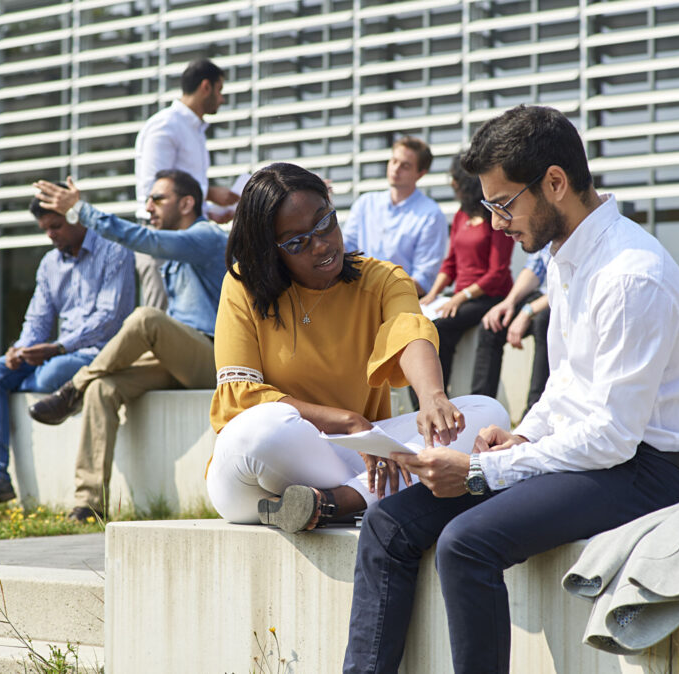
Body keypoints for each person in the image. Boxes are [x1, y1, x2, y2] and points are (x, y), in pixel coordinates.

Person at [343, 105, 679, 673]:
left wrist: (477, 470)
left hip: (646, 470)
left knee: (464, 545)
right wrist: (523, 436)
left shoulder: (631, 275)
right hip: (595, 455)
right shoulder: (568, 256)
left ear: (556, 183)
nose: (494, 223)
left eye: (503, 204)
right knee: (388, 523)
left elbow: (615, 436)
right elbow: (568, 383)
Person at [205, 162, 510, 534]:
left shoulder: (382, 279)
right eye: (298, 241)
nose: (322, 244)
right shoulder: (243, 286)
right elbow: (240, 397)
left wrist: (432, 397)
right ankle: (373, 493)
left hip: (359, 457)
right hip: (255, 474)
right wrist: (350, 423)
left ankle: (336, 502)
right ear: (271, 250)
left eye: (325, 223)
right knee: (264, 428)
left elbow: (409, 330)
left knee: (486, 412)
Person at [26, 169, 227, 522]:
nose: (148, 206)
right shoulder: (174, 252)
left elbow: (146, 240)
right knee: (102, 388)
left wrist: (82, 210)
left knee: (145, 318)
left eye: (157, 199)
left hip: (214, 359)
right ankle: (88, 504)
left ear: (187, 203)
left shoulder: (206, 236)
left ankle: (73, 385)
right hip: (179, 357)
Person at [0, 190, 135, 509]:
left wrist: (56, 347)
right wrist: (21, 350)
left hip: (98, 355)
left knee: (46, 374)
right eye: (45, 229)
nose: (50, 235)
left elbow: (109, 320)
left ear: (75, 216)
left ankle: (4, 377)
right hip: (58, 351)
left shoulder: (115, 251)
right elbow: (37, 318)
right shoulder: (50, 263)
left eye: (56, 226)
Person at [418, 154, 514, 392]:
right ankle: (427, 399)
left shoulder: (495, 216)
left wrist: (460, 297)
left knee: (441, 326)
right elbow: (450, 263)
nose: (453, 184)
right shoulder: (461, 214)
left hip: (489, 296)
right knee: (425, 328)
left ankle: (441, 395)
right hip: (462, 295)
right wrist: (433, 294)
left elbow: (497, 273)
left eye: (456, 179)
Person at [341, 136, 449, 296]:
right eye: (393, 161)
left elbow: (423, 281)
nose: (395, 169)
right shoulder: (365, 203)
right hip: (357, 293)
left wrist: (377, 288)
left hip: (401, 299)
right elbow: (345, 251)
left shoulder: (431, 215)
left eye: (405, 166)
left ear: (420, 174)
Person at [134, 58, 239, 223]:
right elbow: (154, 190)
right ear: (206, 87)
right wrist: (210, 194)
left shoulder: (195, 130)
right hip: (161, 233)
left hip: (184, 229)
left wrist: (209, 212)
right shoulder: (164, 126)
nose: (222, 99)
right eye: (219, 90)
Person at [471, 244, 551, 416]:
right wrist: (510, 302)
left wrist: (527, 311)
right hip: (542, 295)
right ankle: (480, 410)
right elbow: (534, 269)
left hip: (565, 299)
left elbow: (570, 285)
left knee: (543, 323)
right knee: (492, 324)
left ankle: (534, 412)